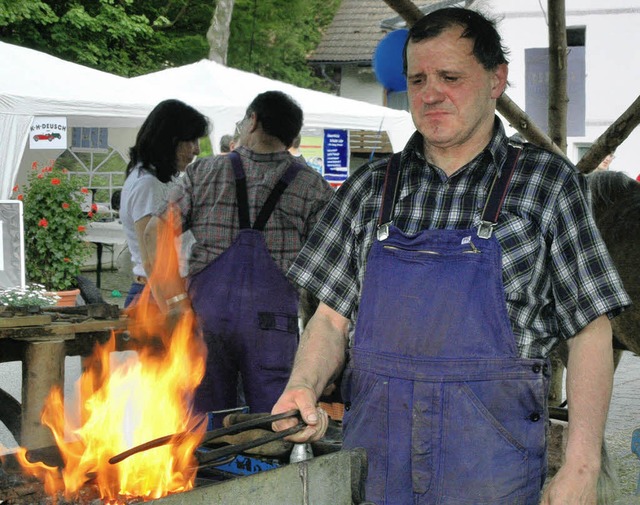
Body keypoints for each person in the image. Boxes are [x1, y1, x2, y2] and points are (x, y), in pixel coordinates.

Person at [271, 8, 631, 505]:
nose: (430, 93)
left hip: (492, 472)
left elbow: (590, 329)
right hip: (377, 468)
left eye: (450, 77)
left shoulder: (548, 186)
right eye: (417, 79)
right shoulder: (367, 190)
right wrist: (302, 385)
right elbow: (330, 320)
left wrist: (583, 465)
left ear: (495, 80)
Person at [144, 90, 334, 418]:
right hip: (273, 327)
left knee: (203, 425)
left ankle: (207, 470)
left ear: (253, 121)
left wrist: (172, 302)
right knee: (275, 422)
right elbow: (325, 273)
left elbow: (154, 233)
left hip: (205, 320)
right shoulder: (312, 187)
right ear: (293, 134)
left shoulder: (202, 173)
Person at [120, 99, 209, 308]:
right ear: (170, 141)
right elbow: (152, 257)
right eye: (191, 141)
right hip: (157, 296)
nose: (196, 150)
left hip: (158, 293)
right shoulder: (148, 185)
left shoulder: (153, 179)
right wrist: (174, 306)